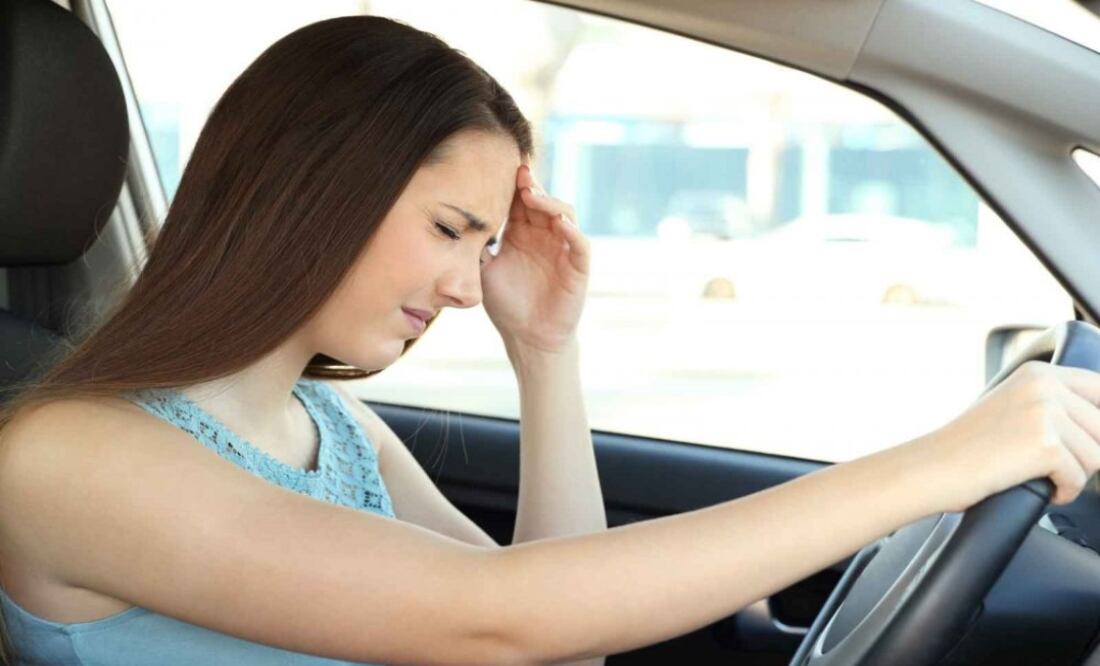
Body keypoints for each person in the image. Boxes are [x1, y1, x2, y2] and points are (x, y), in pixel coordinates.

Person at [0, 13, 1098, 666]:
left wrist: (546, 349)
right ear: (312, 190)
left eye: (481, 246)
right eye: (447, 230)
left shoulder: (331, 427)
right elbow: (502, 624)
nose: (465, 286)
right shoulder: (69, 458)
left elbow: (559, 649)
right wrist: (934, 467)